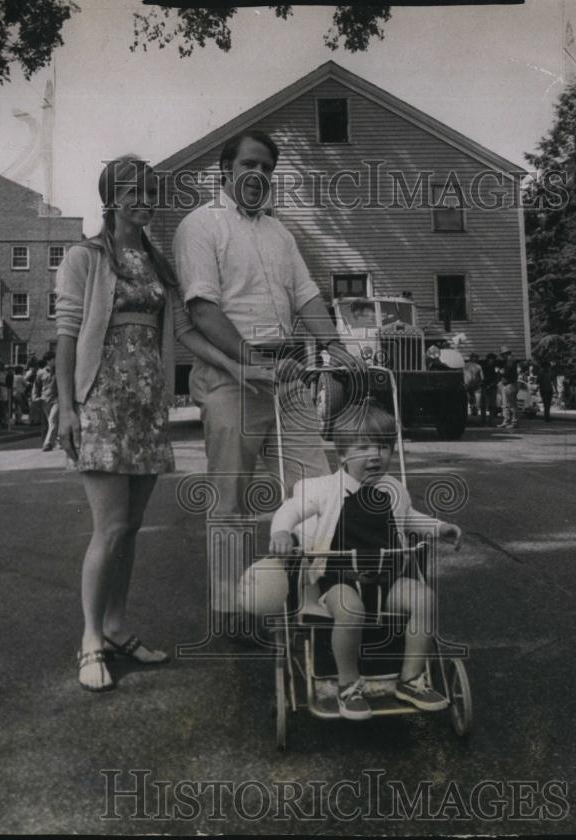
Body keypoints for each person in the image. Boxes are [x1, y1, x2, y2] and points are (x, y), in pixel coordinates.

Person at [55, 155, 273, 692]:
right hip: (101, 402)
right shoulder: (85, 257)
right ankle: (89, 640)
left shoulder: (156, 263)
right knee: (107, 529)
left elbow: (187, 335)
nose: (144, 199)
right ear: (110, 197)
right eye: (133, 191)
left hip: (147, 405)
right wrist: (65, 405)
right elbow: (65, 334)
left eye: (150, 191)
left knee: (130, 529)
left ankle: (116, 627)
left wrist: (239, 366)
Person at [173, 129, 359, 630]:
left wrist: (337, 347)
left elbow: (306, 295)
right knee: (231, 498)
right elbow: (202, 310)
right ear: (226, 172)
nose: (258, 176)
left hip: (288, 374)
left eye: (267, 170)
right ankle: (232, 612)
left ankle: (312, 596)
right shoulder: (201, 226)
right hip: (229, 376)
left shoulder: (280, 232)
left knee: (318, 490)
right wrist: (250, 361)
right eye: (249, 166)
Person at [269, 402, 462, 720]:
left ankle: (410, 678)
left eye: (384, 447)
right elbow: (291, 509)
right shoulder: (322, 490)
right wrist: (281, 532)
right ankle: (348, 683)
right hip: (339, 579)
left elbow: (409, 519)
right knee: (349, 608)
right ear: (342, 455)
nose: (375, 455)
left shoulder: (394, 490)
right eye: (363, 447)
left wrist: (440, 528)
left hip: (388, 578)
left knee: (424, 598)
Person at [41, 353, 60, 451]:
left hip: (57, 399)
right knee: (51, 422)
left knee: (52, 420)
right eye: (54, 359)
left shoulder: (60, 371)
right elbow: (37, 386)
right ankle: (59, 440)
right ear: (48, 361)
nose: (55, 361)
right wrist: (35, 397)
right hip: (45, 399)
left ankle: (48, 443)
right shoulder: (41, 372)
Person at [498, 346, 519, 429]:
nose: (502, 357)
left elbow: (506, 372)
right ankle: (506, 421)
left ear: (505, 354)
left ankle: (514, 422)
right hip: (508, 385)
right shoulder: (510, 360)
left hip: (510, 385)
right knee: (506, 405)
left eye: (502, 355)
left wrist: (500, 371)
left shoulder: (510, 360)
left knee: (511, 405)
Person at [479, 352, 498, 426]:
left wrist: (492, 384)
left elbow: (498, 378)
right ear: (488, 359)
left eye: (493, 359)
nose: (492, 360)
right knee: (483, 405)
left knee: (492, 405)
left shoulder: (496, 367)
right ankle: (483, 421)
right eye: (490, 359)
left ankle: (491, 421)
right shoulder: (484, 367)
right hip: (484, 387)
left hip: (492, 387)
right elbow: (481, 377)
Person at [463, 353, 483, 418]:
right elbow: (482, 377)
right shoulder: (478, 366)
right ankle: (474, 409)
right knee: (474, 400)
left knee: (469, 400)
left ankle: (473, 410)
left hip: (468, 385)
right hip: (473, 385)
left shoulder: (465, 365)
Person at [535, 357, 555, 422]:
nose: (548, 367)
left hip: (548, 389)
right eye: (547, 366)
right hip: (545, 389)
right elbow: (538, 381)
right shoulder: (542, 372)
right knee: (546, 404)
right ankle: (547, 417)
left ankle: (547, 416)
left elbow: (552, 380)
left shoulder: (548, 371)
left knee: (547, 404)